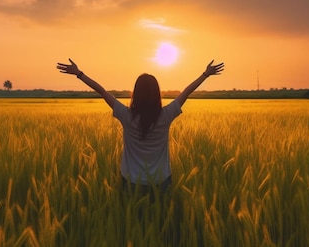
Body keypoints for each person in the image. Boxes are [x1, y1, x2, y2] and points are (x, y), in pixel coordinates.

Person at [56, 58, 224, 194]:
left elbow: (102, 92)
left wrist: (79, 73)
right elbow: (186, 92)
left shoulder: (126, 115)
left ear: (135, 93)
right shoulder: (166, 115)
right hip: (161, 181)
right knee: (160, 222)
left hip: (131, 181)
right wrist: (205, 74)